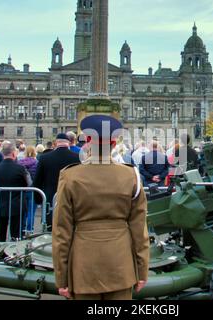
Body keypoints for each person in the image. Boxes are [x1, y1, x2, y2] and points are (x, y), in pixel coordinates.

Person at [52, 114, 149, 300]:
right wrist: (142, 270)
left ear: (88, 141)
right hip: (121, 264)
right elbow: (139, 229)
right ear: (114, 143)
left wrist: (61, 277)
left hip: (83, 265)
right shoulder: (131, 176)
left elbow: (61, 232)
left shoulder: (70, 176)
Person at [33, 134, 80, 229]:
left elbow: (37, 181)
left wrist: (38, 199)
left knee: (50, 231)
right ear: (69, 143)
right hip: (71, 200)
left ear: (56, 143)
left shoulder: (44, 158)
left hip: (50, 201)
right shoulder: (77, 157)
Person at [0, 141, 30, 242]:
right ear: (13, 153)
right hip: (17, 204)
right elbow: (28, 184)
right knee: (17, 236)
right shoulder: (21, 169)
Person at [18, 146, 38, 233]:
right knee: (31, 212)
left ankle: (22, 229)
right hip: (33, 189)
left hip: (22, 189)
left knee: (23, 212)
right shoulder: (37, 163)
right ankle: (30, 230)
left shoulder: (19, 163)